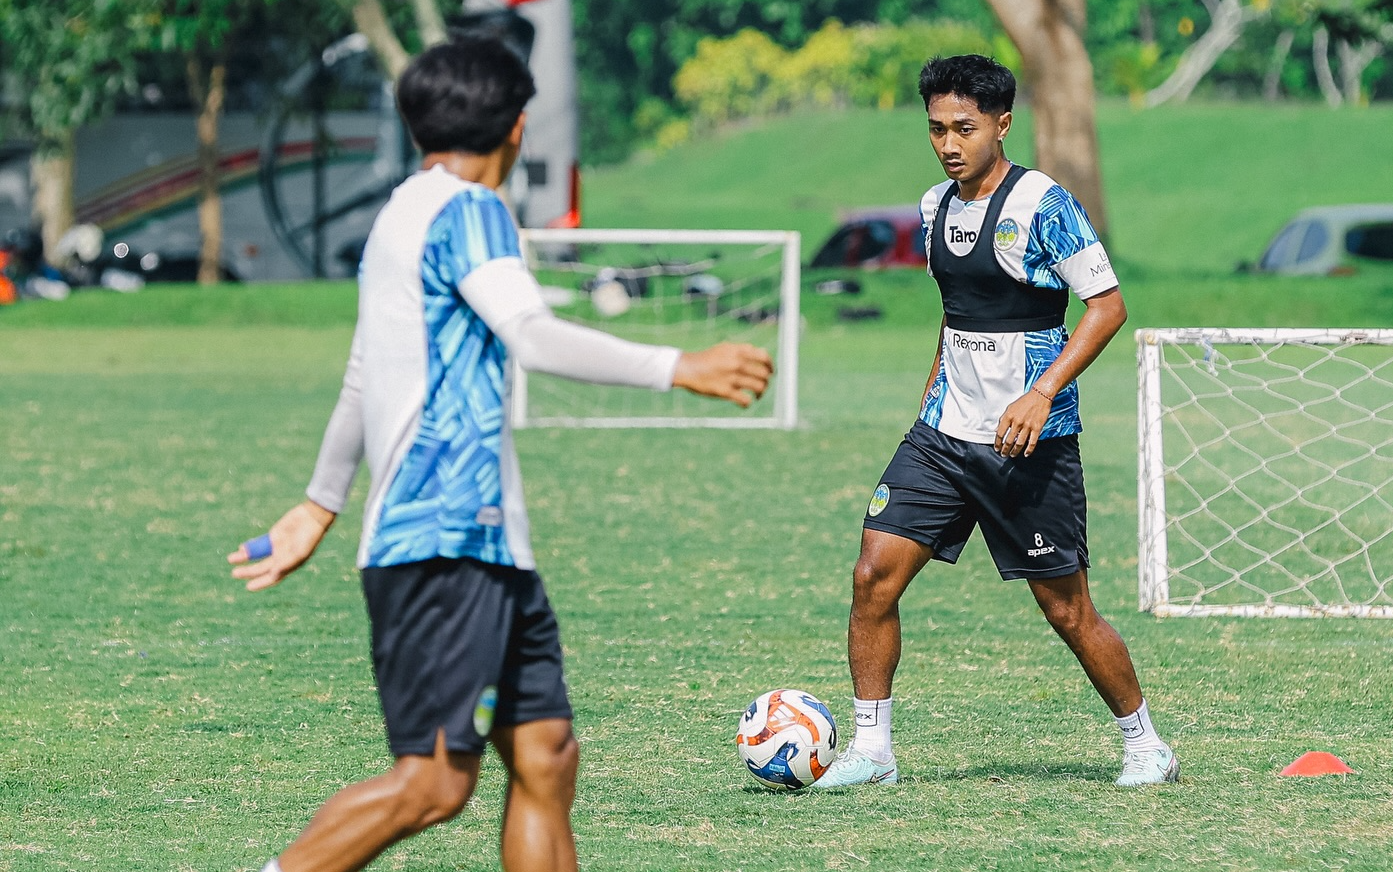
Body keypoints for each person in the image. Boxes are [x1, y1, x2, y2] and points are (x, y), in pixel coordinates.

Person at [227, 36, 772, 872]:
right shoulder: (471, 210)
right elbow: (530, 334)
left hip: (485, 544)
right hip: (443, 540)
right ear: (517, 129)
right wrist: (680, 366)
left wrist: (319, 503)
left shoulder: (399, 214)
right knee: (433, 785)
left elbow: (364, 375)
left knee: (546, 754)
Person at [814, 54, 1177, 790]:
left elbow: (1106, 307)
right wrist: (928, 406)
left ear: (1002, 125)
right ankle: (872, 752)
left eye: (964, 129)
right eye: (936, 129)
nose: (949, 143)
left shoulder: (1042, 204)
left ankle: (1145, 745)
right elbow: (955, 320)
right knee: (870, 578)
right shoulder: (932, 207)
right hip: (942, 438)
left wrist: (1040, 393)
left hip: (1027, 445)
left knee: (1067, 610)